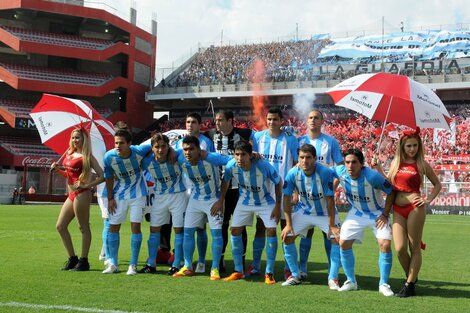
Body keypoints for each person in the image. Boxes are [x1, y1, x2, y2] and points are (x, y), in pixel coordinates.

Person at [381, 128, 442, 297]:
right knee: (400, 248)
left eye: (415, 145)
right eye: (409, 146)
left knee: (414, 247)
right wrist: (378, 168)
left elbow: (437, 184)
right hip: (397, 209)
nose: (412, 149)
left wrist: (428, 200)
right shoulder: (395, 163)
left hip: (415, 208)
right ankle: (412, 280)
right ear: (402, 146)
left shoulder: (422, 164)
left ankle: (409, 284)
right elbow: (389, 185)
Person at [215, 141, 281, 284]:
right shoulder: (232, 165)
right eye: (237, 154)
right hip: (245, 201)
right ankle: (238, 270)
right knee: (234, 230)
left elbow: (278, 181)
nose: (239, 158)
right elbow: (225, 181)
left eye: (243, 154)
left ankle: (269, 272)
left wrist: (278, 206)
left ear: (250, 155)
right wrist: (220, 201)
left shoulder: (262, 165)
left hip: (265, 201)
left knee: (270, 231)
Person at [331, 148, 394, 296]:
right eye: (347, 162)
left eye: (354, 162)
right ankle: (351, 281)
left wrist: (385, 214)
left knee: (385, 244)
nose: (350, 166)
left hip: (377, 213)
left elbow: (391, 191)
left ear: (361, 164)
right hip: (356, 213)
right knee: (343, 243)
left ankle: (384, 284)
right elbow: (326, 169)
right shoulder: (340, 171)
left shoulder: (372, 176)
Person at [281, 144, 341, 289]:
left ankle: (333, 278)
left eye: (308, 157)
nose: (305, 161)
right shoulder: (293, 173)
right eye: (302, 157)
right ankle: (295, 275)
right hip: (305, 211)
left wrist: (332, 226)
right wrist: (288, 225)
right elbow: (286, 198)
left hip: (325, 213)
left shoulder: (325, 172)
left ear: (315, 158)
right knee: (287, 237)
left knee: (336, 240)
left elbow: (330, 201)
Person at [249, 106, 298, 279]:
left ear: (281, 121)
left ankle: (288, 268)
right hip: (263, 192)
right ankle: (255, 265)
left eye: (275, 119)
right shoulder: (257, 137)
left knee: (286, 229)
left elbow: (296, 165)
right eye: (269, 119)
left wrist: (295, 190)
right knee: (261, 228)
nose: (271, 122)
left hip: (284, 191)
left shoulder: (291, 140)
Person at [172, 135, 231, 280]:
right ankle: (187, 266)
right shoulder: (180, 158)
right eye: (185, 149)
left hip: (213, 200)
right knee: (187, 232)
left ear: (199, 149)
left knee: (216, 234)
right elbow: (168, 151)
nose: (188, 152)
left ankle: (215, 268)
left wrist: (221, 200)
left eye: (191, 149)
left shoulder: (210, 158)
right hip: (195, 199)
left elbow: (232, 160)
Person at [204, 109, 254, 272]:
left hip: (239, 189)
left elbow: (259, 139)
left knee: (240, 226)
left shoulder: (244, 133)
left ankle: (242, 260)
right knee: (222, 225)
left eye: (220, 120)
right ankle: (221, 260)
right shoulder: (211, 135)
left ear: (230, 120)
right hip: (220, 189)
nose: (216, 123)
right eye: (216, 120)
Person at [297, 109, 344, 278]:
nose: (313, 120)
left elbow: (340, 167)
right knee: (306, 231)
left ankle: (332, 270)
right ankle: (302, 269)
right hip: (306, 196)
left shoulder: (330, 142)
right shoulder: (299, 141)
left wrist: (332, 187)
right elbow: (295, 168)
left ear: (322, 121)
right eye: (310, 117)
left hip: (325, 197)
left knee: (329, 233)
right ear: (306, 120)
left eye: (316, 118)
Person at [51, 128, 104, 271]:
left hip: (82, 194)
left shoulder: (88, 156)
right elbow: (69, 176)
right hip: (71, 194)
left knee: (83, 227)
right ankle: (72, 259)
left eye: (78, 138)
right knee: (60, 226)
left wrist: (87, 185)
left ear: (84, 139)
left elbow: (102, 175)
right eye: (73, 137)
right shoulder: (69, 153)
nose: (75, 140)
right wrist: (57, 170)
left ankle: (84, 261)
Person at [102, 129, 152, 275]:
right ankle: (113, 263)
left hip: (138, 194)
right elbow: (109, 177)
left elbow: (154, 143)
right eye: (116, 142)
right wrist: (110, 198)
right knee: (113, 227)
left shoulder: (138, 150)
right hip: (119, 195)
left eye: (121, 143)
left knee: (135, 227)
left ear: (129, 143)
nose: (118, 146)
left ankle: (133, 264)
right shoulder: (109, 157)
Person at [139, 133, 188, 275]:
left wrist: (173, 150)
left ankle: (177, 264)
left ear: (168, 146)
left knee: (179, 230)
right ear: (152, 148)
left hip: (178, 196)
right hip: (159, 197)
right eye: (157, 147)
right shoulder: (147, 161)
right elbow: (136, 152)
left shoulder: (177, 156)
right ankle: (151, 264)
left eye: (163, 146)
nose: (160, 150)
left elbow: (190, 152)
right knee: (154, 230)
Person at [172, 112, 215, 274]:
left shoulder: (206, 143)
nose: (190, 125)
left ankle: (202, 261)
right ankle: (183, 259)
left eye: (193, 122)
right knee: (183, 226)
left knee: (200, 228)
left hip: (201, 191)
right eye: (188, 122)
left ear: (200, 125)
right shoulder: (179, 143)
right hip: (183, 189)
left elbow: (210, 162)